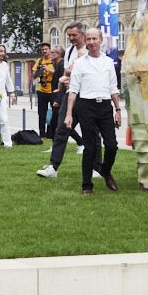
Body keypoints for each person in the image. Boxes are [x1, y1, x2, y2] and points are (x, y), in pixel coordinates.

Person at [62, 28, 121, 195]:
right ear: (85, 41)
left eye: (94, 38)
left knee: (112, 146)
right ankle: (86, 185)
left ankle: (105, 171)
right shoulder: (79, 63)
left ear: (101, 41)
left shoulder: (109, 62)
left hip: (104, 108)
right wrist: (69, 114)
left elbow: (113, 88)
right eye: (88, 39)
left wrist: (117, 110)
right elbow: (73, 90)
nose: (91, 42)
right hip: (86, 107)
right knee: (90, 148)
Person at [37, 22, 98, 178]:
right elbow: (67, 72)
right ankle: (53, 167)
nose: (71, 38)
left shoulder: (90, 51)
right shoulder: (70, 51)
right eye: (69, 35)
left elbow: (87, 72)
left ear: (82, 36)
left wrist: (69, 74)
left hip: (87, 96)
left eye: (74, 35)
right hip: (70, 94)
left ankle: (96, 168)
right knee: (61, 130)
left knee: (92, 132)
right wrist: (62, 90)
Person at [32, 42, 57, 139]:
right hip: (42, 90)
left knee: (54, 114)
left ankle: (50, 134)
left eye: (46, 49)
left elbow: (58, 73)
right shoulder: (39, 60)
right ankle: (42, 135)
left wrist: (48, 69)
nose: (44, 51)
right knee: (41, 114)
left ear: (50, 49)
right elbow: (34, 76)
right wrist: (38, 70)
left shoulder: (54, 61)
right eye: (42, 50)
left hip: (52, 90)